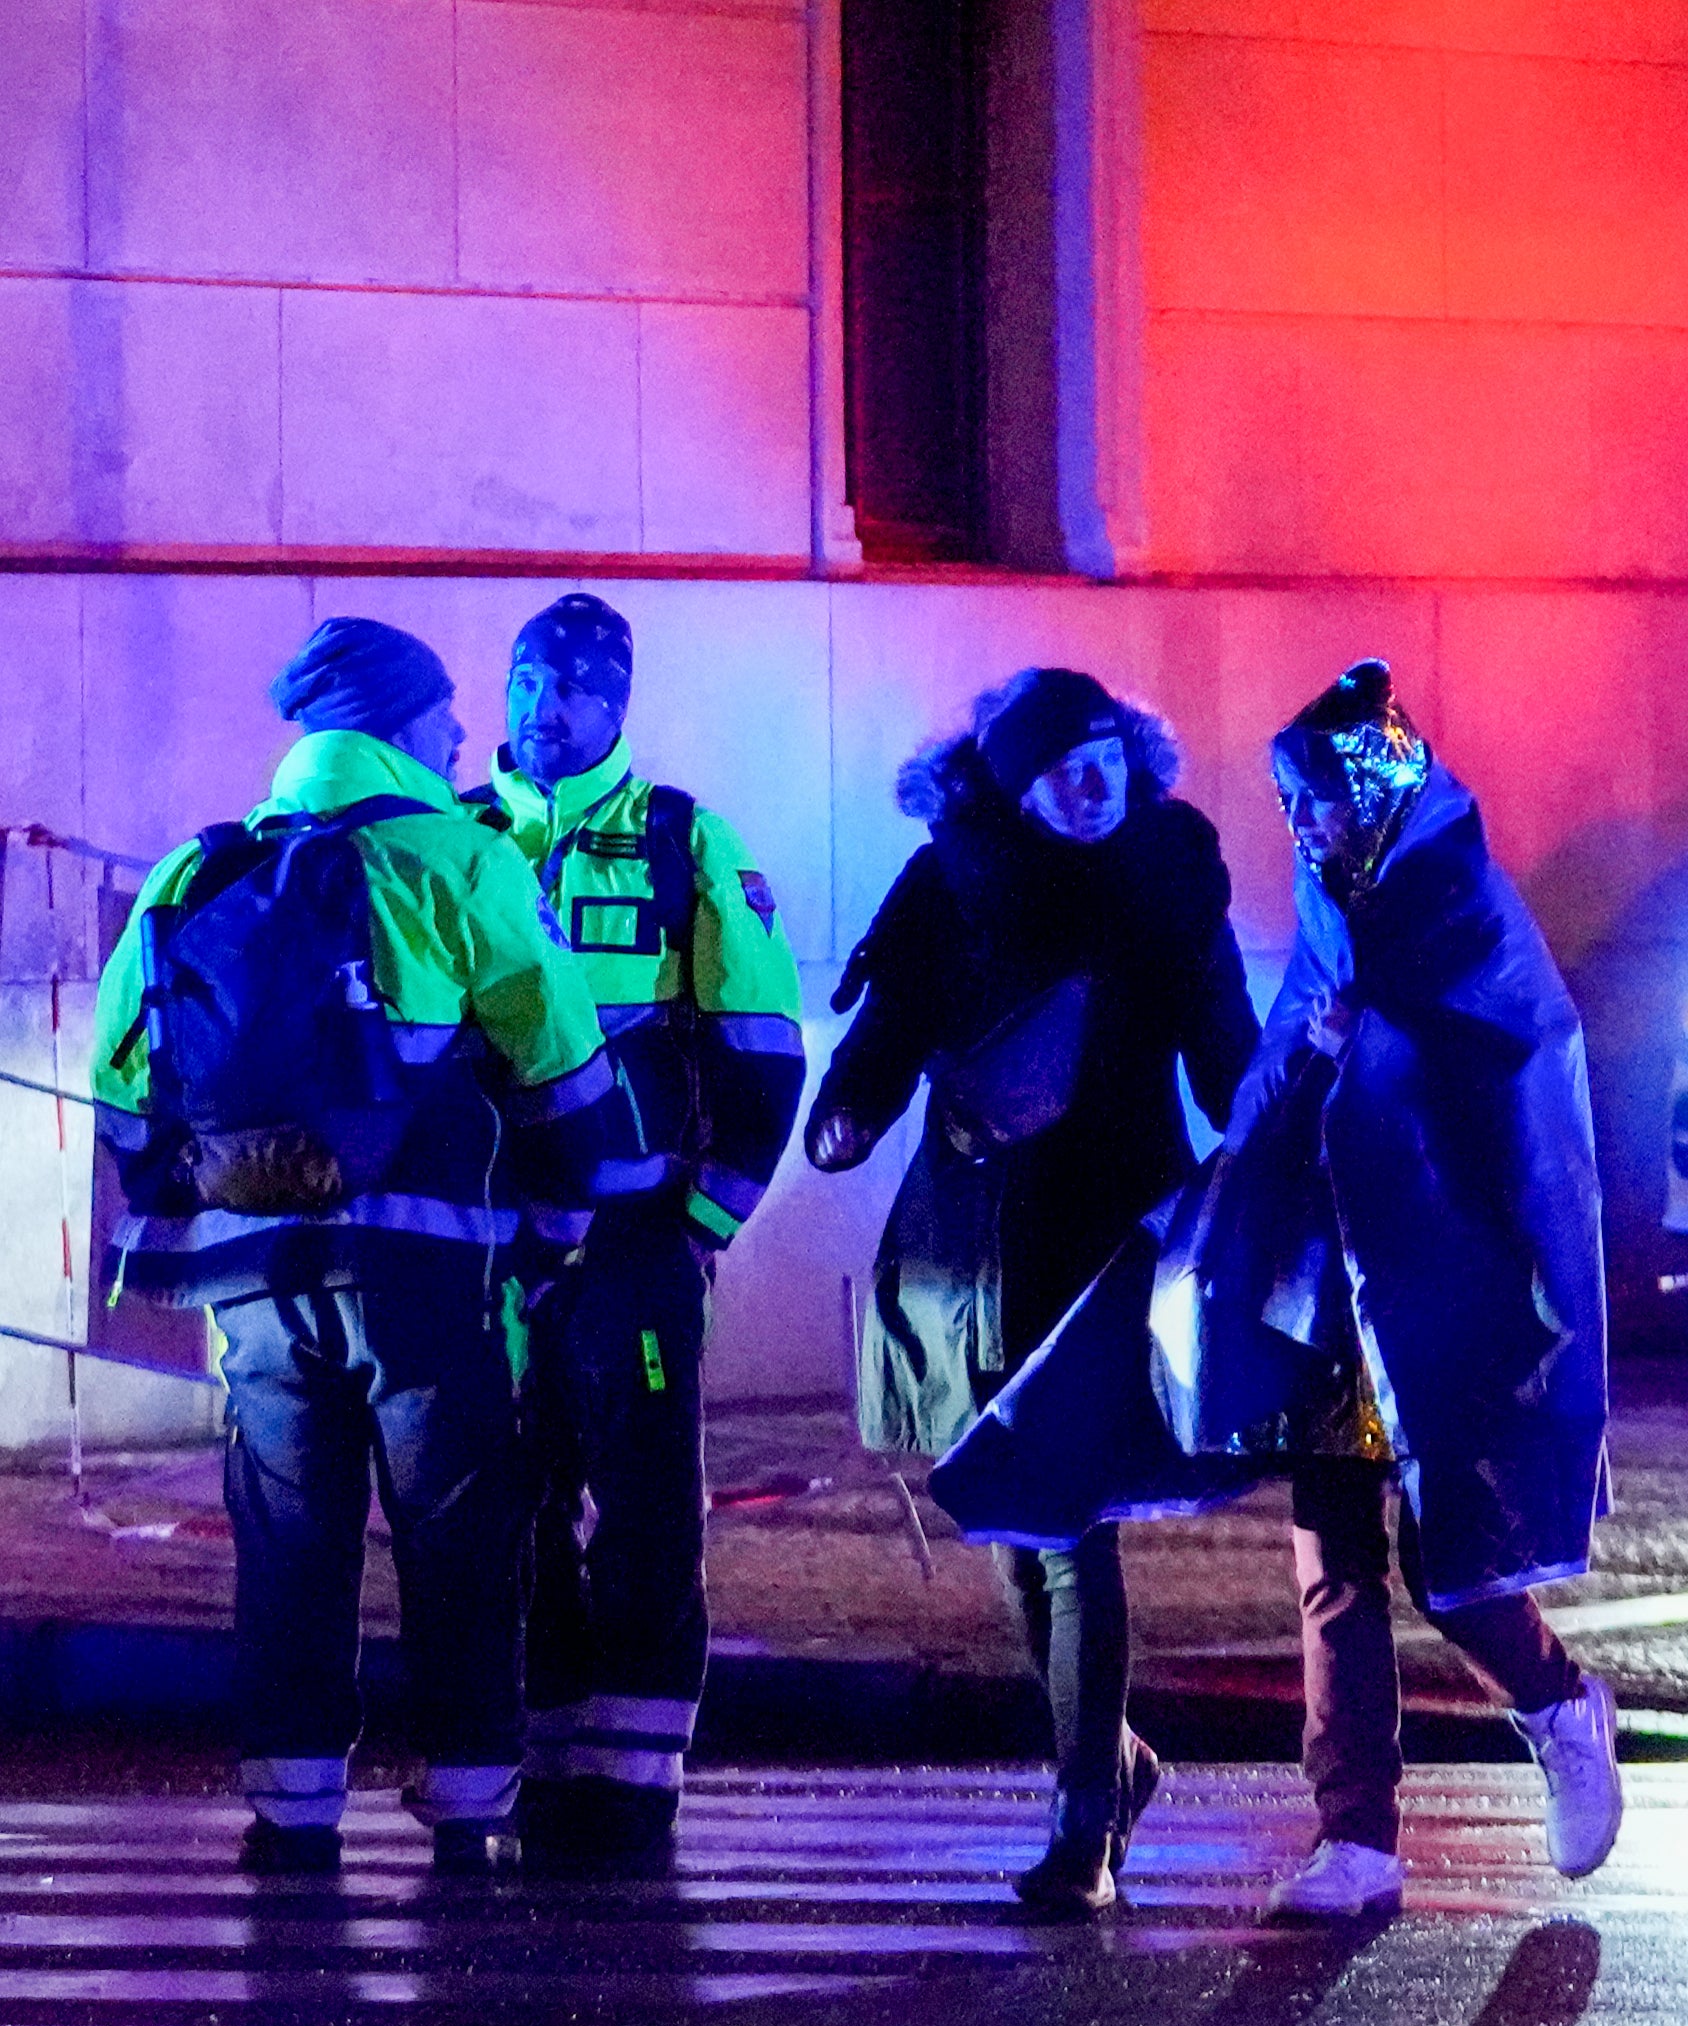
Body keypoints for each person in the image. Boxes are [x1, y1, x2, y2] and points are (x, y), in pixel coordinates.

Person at [931, 659, 1621, 1923]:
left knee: (1449, 1557)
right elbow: (1277, 1061)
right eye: (1288, 805)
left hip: (1440, 1289)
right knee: (1333, 1560)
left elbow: (1509, 1061)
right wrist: (1256, 1151)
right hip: (1330, 1290)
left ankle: (1556, 1701)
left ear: (1373, 791)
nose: (1298, 827)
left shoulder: (1457, 898)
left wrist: (1379, 1047)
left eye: (1316, 802)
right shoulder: (1329, 901)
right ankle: (1355, 1834)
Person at [93, 617, 639, 1876]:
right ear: (399, 726)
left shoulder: (194, 872)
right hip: (424, 1275)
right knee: (456, 1528)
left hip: (254, 1280)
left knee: (288, 1533)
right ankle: (465, 1799)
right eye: (446, 717)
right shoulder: (456, 858)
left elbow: (126, 1090)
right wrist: (575, 1213)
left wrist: (210, 1200)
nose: (463, 738)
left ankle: (291, 1805)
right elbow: (558, 1062)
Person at [806, 668, 1256, 1914]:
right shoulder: (953, 877)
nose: (1091, 776)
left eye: (1107, 749)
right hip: (977, 1239)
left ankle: (1081, 1819)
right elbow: (888, 1028)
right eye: (1063, 762)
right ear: (1009, 784)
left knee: (1068, 1520)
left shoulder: (1166, 874)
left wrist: (1274, 1150)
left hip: (1112, 1233)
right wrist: (843, 1111)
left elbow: (1225, 1045)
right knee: (1008, 1517)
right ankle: (1108, 1759)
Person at [464, 593, 807, 1869]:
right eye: (524, 684)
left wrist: (703, 1222)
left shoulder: (679, 840)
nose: (540, 709)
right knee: (516, 1494)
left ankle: (638, 1769)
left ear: (617, 704)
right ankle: (548, 1746)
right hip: (498, 1242)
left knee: (647, 1498)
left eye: (569, 689)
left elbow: (764, 1047)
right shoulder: (463, 837)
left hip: (630, 1242)